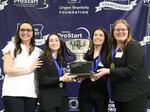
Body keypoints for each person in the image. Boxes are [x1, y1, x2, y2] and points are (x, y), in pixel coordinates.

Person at [93, 19, 150, 112]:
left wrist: (108, 71)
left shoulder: (133, 46)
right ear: (113, 32)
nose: (120, 32)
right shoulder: (113, 49)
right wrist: (89, 73)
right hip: (120, 95)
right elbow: (107, 66)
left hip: (135, 94)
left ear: (128, 31)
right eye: (117, 30)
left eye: (123, 30)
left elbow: (131, 70)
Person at [2, 20, 43, 112]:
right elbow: (7, 69)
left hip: (32, 93)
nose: (25, 32)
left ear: (33, 32)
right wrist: (28, 69)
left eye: (28, 30)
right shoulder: (11, 47)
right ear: (18, 32)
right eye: (22, 30)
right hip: (12, 92)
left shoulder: (39, 51)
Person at [37, 33, 74, 112]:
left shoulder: (62, 60)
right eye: (51, 41)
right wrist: (61, 78)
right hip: (48, 99)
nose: (54, 43)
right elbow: (43, 80)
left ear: (60, 43)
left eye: (56, 40)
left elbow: (65, 77)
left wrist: (73, 78)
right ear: (47, 44)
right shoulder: (42, 59)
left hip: (62, 97)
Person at [78, 27, 109, 112]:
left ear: (104, 38)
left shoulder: (108, 55)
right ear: (92, 37)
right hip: (85, 94)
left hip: (101, 94)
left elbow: (111, 72)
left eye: (101, 35)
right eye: (95, 35)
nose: (98, 37)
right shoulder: (84, 53)